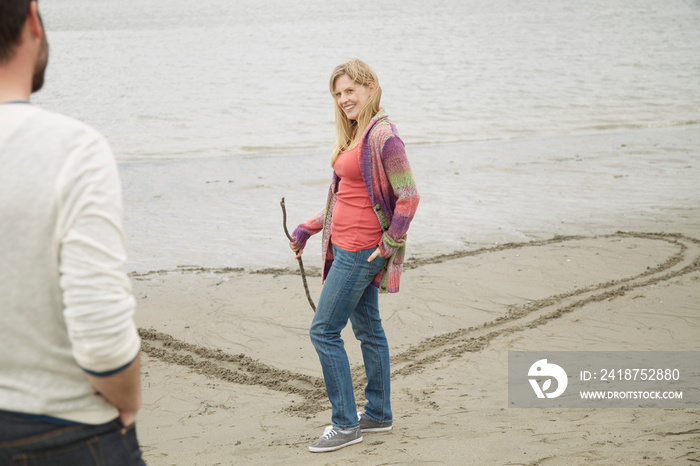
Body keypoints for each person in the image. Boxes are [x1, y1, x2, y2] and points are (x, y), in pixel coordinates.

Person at [0, 1, 145, 463]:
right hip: (60, 431)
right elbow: (102, 338)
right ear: (33, 22)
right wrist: (129, 400)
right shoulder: (72, 150)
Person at [289, 58, 419, 453]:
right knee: (368, 330)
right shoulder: (356, 133)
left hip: (360, 251)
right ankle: (378, 413)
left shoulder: (383, 136)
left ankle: (345, 424)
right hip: (345, 245)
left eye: (350, 90)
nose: (344, 99)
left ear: (370, 87)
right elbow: (344, 196)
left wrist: (388, 244)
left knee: (323, 331)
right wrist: (309, 228)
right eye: (338, 93)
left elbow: (409, 196)